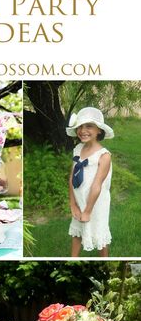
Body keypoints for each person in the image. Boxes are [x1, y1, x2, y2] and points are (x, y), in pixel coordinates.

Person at [66, 107, 114, 258]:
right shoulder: (78, 149)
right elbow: (72, 177)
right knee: (77, 231)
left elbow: (97, 184)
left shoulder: (103, 156)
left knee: (99, 233)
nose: (82, 130)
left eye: (88, 126)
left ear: (99, 130)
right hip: (80, 199)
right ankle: (73, 258)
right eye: (80, 126)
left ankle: (104, 261)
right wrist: (73, 203)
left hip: (96, 202)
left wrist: (87, 211)